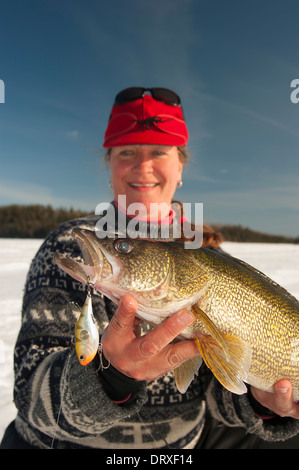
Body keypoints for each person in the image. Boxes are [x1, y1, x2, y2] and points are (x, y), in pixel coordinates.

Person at [1, 87, 299, 449]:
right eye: (126, 152)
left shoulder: (206, 251)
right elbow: (30, 397)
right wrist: (109, 378)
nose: (142, 167)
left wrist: (262, 400)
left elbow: (223, 398)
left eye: (158, 151)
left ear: (180, 167)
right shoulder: (70, 245)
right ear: (109, 164)